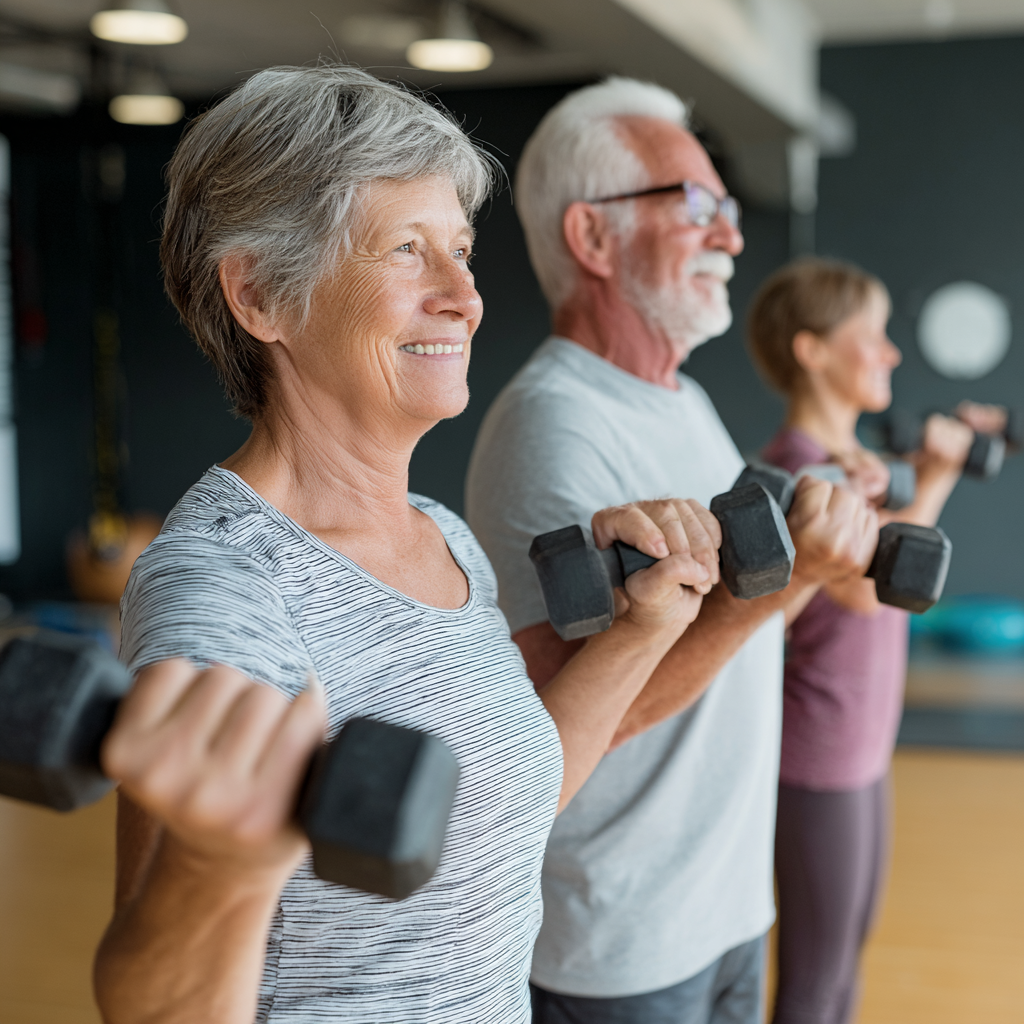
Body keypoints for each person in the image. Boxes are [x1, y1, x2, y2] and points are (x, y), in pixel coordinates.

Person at [91, 65, 727, 1024]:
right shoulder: (224, 584)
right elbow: (145, 1008)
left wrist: (641, 632)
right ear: (261, 294)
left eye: (462, 251)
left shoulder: (445, 536)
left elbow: (498, 806)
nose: (464, 297)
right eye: (405, 250)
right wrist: (219, 864)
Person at [465, 78, 880, 1024]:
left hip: (726, 900)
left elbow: (744, 623)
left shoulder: (684, 401)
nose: (732, 236)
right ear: (593, 238)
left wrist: (816, 561)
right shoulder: (553, 424)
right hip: (621, 936)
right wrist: (790, 580)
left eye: (726, 210)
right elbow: (567, 721)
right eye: (697, 207)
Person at [748, 257, 1007, 1024]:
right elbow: (865, 591)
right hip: (818, 756)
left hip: (863, 747)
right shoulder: (796, 468)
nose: (891, 353)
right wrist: (939, 472)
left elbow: (899, 565)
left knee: (847, 969)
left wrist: (933, 463)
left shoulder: (861, 464)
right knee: (814, 982)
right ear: (813, 350)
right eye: (873, 335)